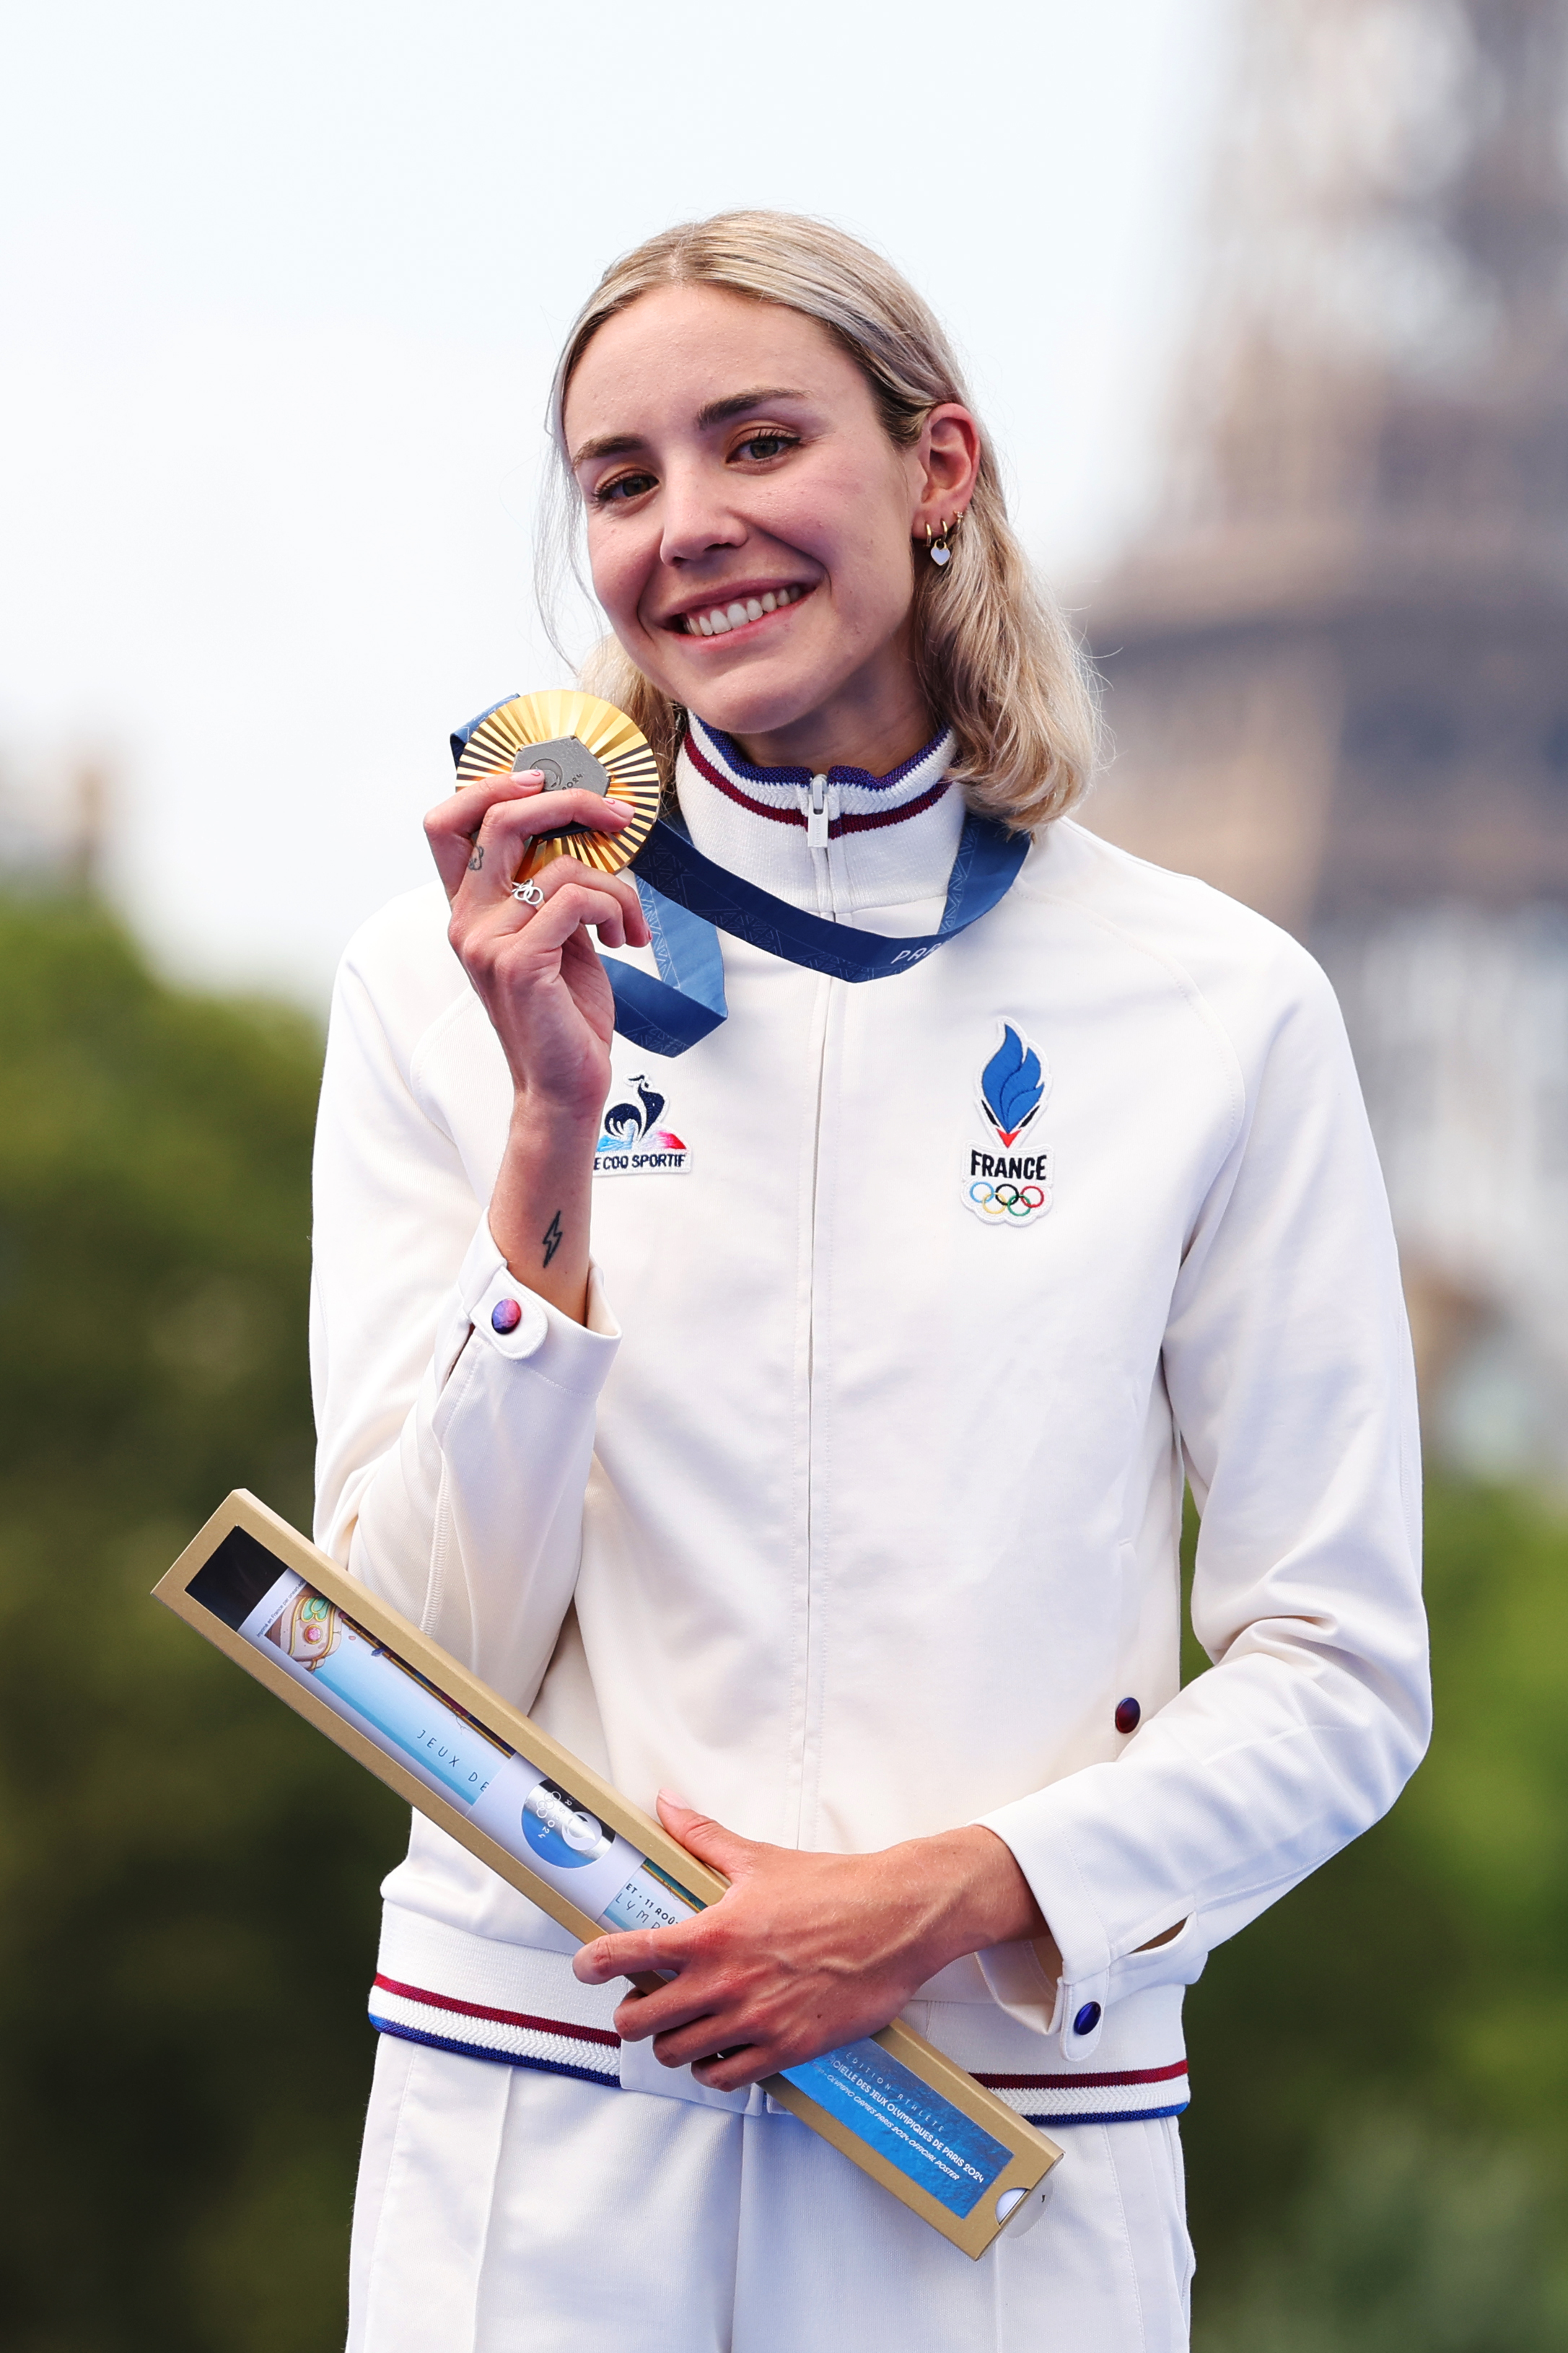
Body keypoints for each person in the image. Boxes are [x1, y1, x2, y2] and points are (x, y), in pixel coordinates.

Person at [312, 211, 1430, 2352]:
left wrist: (954, 1897)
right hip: (535, 2165)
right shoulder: (435, 982)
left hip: (990, 2157)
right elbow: (416, 1655)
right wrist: (550, 1141)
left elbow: (1343, 1669)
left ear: (940, 472)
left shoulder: (1218, 1005)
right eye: (623, 482)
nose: (692, 526)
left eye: (756, 441)